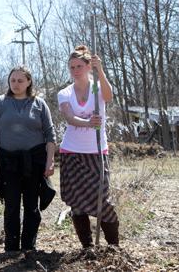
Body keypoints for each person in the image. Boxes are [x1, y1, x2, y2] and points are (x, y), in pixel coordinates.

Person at [57, 45, 119, 248]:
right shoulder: (65, 92)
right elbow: (69, 117)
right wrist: (88, 123)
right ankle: (87, 248)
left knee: (104, 201)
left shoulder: (97, 87)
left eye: (79, 66)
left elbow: (109, 97)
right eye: (72, 67)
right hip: (72, 152)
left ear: (87, 67)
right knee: (77, 204)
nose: (75, 70)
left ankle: (113, 247)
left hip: (97, 151)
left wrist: (100, 70)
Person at [0, 65, 56, 252]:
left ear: (28, 82)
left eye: (20, 81)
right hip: (7, 161)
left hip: (34, 161)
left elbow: (50, 135)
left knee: (31, 207)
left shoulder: (39, 104)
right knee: (11, 206)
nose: (16, 84)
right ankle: (11, 248)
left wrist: (50, 160)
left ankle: (29, 247)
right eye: (12, 80)